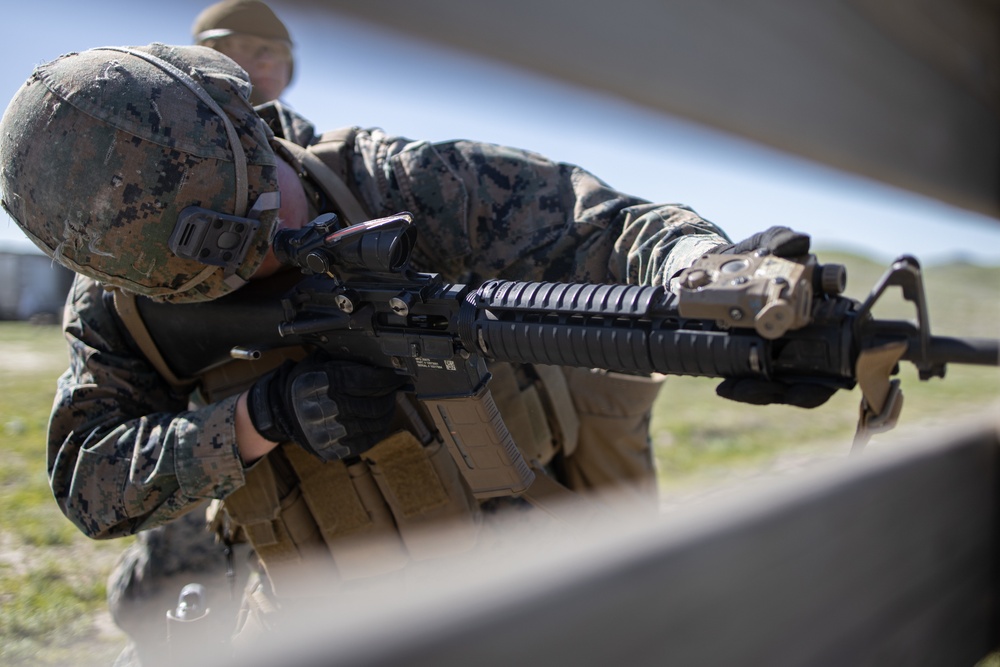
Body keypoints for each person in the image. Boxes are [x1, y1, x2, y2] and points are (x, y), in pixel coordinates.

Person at [0, 43, 825, 663]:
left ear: (253, 129)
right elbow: (86, 479)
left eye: (267, 208)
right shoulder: (117, 307)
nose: (276, 250)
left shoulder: (389, 180)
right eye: (231, 270)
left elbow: (598, 226)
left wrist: (716, 279)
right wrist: (259, 418)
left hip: (518, 566)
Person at [192, 0, 295, 105]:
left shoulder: (292, 120)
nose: (267, 61)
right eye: (244, 46)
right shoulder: (179, 114)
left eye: (278, 51)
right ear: (206, 55)